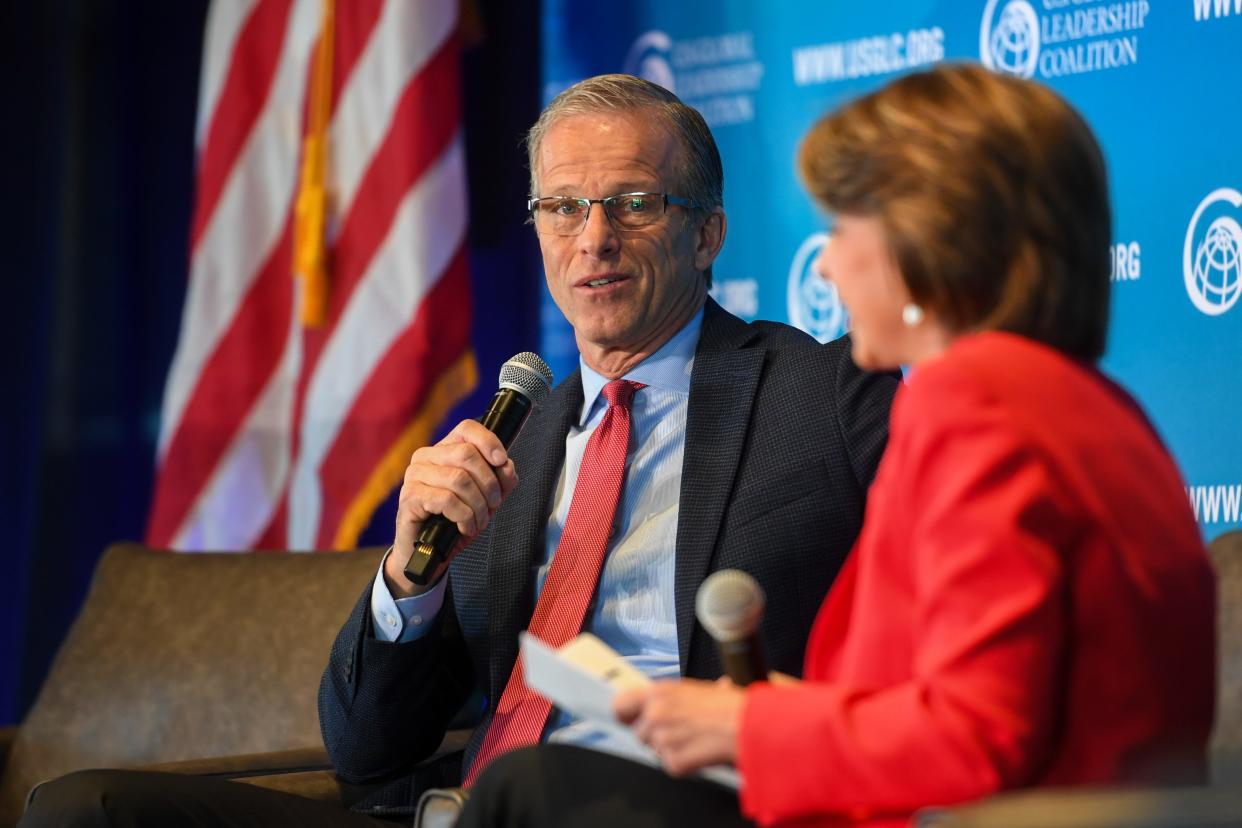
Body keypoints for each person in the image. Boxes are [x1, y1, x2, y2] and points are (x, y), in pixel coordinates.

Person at [20, 75, 896, 826]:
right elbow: (366, 750)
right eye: (562, 208)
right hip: (467, 809)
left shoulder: (820, 393)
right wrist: (411, 576)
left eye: (632, 203)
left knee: (534, 781)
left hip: (677, 802)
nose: (593, 239)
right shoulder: (514, 443)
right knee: (86, 808)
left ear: (705, 235)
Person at [456, 63, 1216, 828]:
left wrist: (743, 729)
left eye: (845, 229)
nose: (826, 263)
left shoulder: (979, 411)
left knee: (531, 794)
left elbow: (979, 735)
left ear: (935, 241)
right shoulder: (1080, 401)